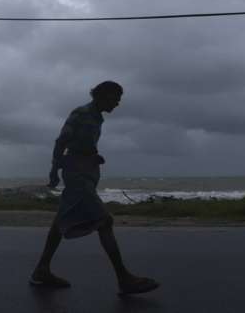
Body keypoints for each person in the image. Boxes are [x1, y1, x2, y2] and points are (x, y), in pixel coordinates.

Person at [30, 81, 159, 295]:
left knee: (60, 222)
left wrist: (93, 155)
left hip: (87, 173)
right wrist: (53, 172)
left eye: (119, 98)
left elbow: (81, 144)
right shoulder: (81, 113)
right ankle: (124, 278)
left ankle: (41, 270)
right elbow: (61, 142)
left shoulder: (98, 117)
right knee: (105, 221)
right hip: (77, 176)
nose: (118, 103)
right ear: (102, 95)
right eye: (115, 97)